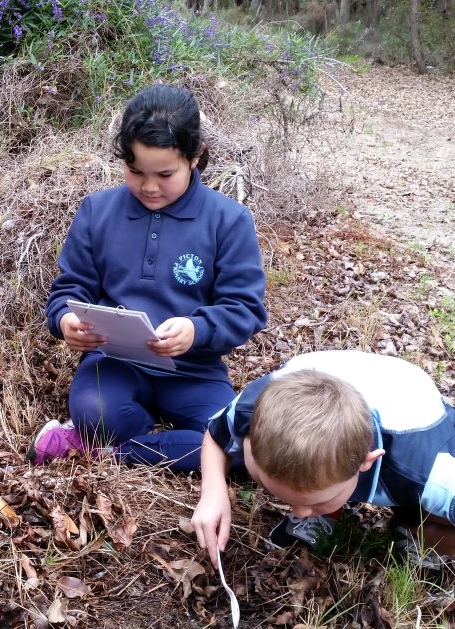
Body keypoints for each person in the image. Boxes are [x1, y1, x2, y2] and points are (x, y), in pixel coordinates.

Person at [30, 84, 267, 470]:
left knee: (241, 448)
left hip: (195, 371)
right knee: (96, 413)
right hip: (113, 361)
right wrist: (65, 321)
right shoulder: (97, 211)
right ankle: (114, 436)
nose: (149, 186)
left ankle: (108, 450)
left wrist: (196, 330)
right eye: (135, 171)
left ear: (196, 157)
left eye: (165, 173)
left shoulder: (229, 221)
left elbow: (244, 309)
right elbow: (68, 289)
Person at [191, 350, 455, 567]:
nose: (297, 512)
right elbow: (216, 436)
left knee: (424, 510)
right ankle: (329, 508)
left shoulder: (429, 471)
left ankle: (408, 524)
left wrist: (429, 534)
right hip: (319, 377)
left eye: (318, 501)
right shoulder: (253, 408)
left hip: (413, 410)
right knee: (317, 484)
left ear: (366, 461)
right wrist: (213, 491)